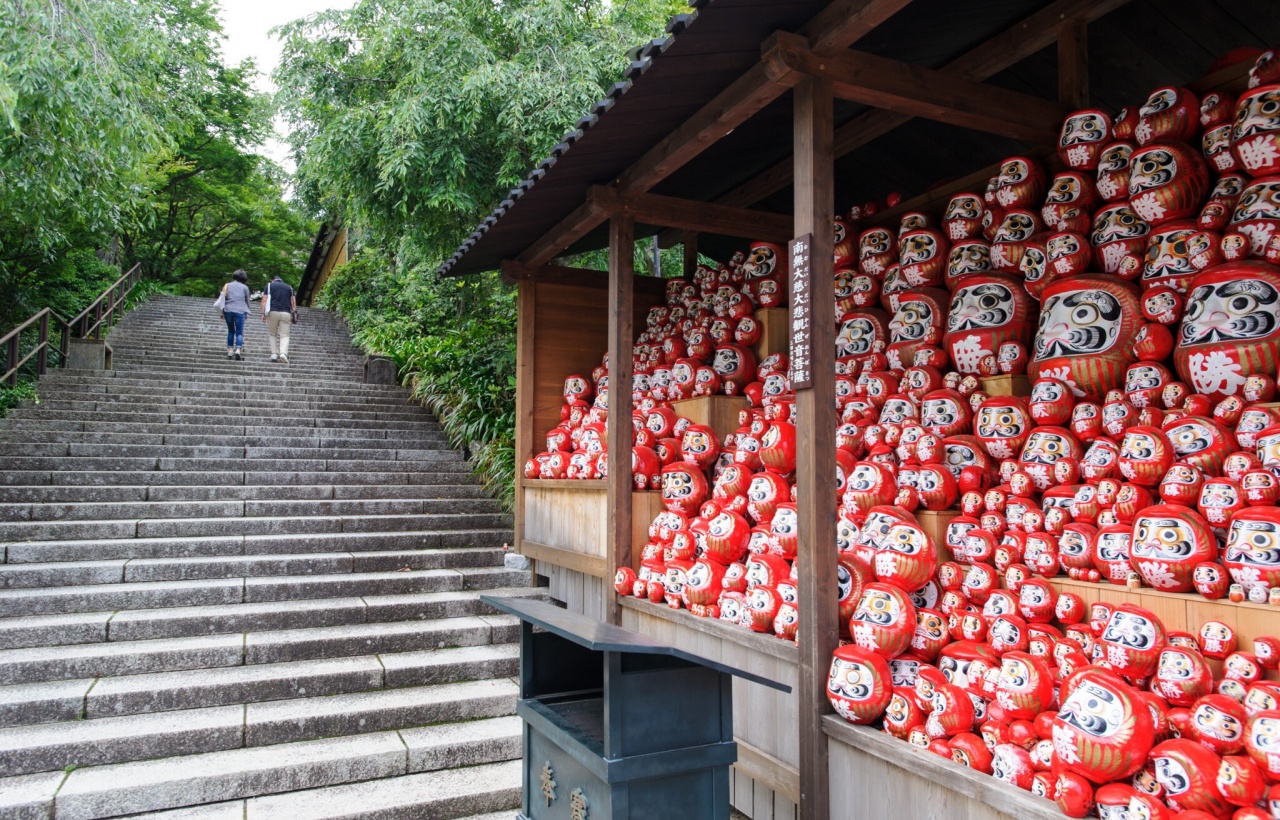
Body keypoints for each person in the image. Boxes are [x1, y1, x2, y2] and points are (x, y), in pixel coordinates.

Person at [262, 275, 296, 363]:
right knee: (285, 335)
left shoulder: (269, 285)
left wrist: (263, 313)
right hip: (286, 312)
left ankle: (274, 354)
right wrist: (294, 312)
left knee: (272, 333)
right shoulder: (289, 287)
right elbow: (293, 301)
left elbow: (264, 300)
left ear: (273, 280)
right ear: (281, 280)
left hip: (272, 312)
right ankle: (283, 353)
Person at [221, 270, 251, 361]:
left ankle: (230, 350)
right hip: (240, 310)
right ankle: (238, 349)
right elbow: (247, 301)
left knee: (231, 331)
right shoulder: (245, 287)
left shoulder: (227, 285)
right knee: (239, 332)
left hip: (228, 309)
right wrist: (247, 312)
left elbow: (223, 298)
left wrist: (221, 312)